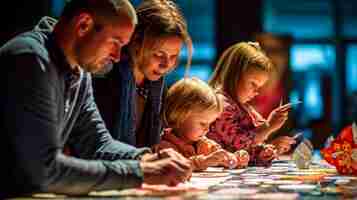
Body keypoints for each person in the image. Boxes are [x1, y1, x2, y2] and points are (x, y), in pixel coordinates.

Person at [0, 0, 191, 196]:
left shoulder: (79, 71)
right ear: (84, 25)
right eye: (115, 42)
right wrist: (140, 172)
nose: (117, 57)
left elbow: (97, 144)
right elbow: (43, 170)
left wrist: (147, 158)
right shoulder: (30, 59)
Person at [93, 0, 192, 148]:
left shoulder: (155, 85)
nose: (166, 65)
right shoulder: (106, 78)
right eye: (159, 54)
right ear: (136, 42)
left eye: (173, 56)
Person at [207, 42, 296, 166]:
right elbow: (240, 143)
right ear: (234, 74)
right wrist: (268, 126)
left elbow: (247, 151)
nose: (257, 92)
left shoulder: (244, 107)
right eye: (253, 84)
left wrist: (267, 150)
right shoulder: (220, 104)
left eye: (259, 86)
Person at [152, 78, 250, 171]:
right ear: (180, 117)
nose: (207, 129)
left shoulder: (204, 144)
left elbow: (220, 156)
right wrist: (204, 162)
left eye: (210, 123)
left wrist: (233, 159)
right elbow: (176, 165)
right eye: (203, 123)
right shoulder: (165, 145)